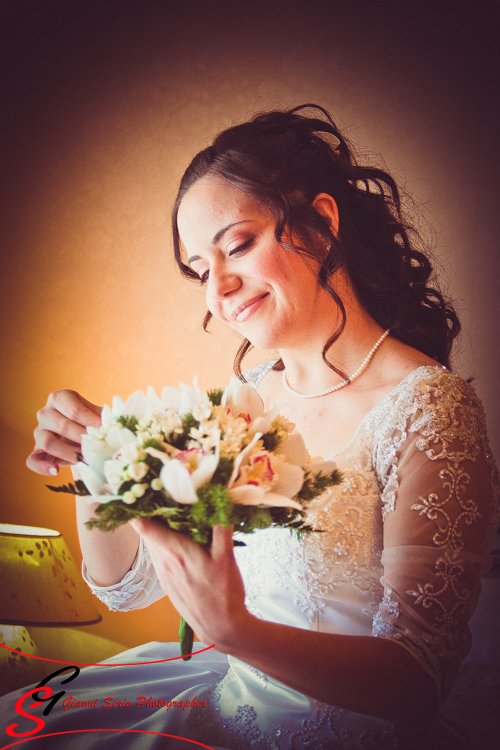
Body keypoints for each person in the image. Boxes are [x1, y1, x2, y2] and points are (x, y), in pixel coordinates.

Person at [13, 105, 499, 748]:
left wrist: (235, 630)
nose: (219, 287)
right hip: (226, 703)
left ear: (322, 221)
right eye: (198, 269)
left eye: (236, 245)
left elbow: (418, 680)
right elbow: (126, 586)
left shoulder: (429, 411)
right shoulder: (247, 398)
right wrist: (104, 460)